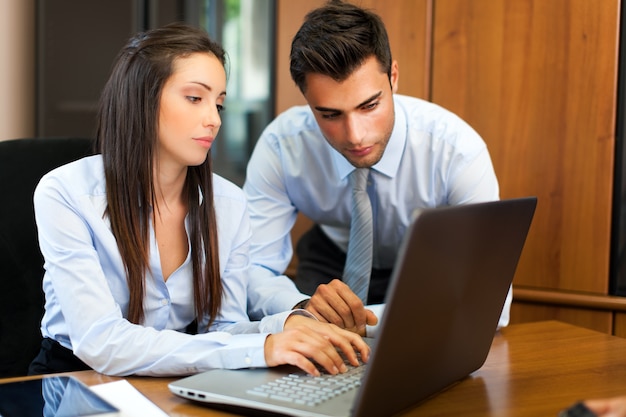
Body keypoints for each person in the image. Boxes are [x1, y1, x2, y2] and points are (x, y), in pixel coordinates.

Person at [28, 23, 368, 377]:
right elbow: (100, 342)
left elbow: (222, 331)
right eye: (195, 98)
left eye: (219, 104)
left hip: (176, 372)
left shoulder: (229, 204)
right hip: (72, 378)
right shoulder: (66, 193)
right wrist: (263, 346)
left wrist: (288, 325)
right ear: (141, 98)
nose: (213, 120)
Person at [244, 0, 511, 335]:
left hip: (424, 269)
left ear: (393, 77)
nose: (356, 136)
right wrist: (300, 309)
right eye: (330, 114)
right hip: (332, 260)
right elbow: (250, 269)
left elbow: (492, 303)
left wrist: (362, 324)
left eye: (369, 105)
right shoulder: (282, 147)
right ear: (307, 100)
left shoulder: (456, 151)